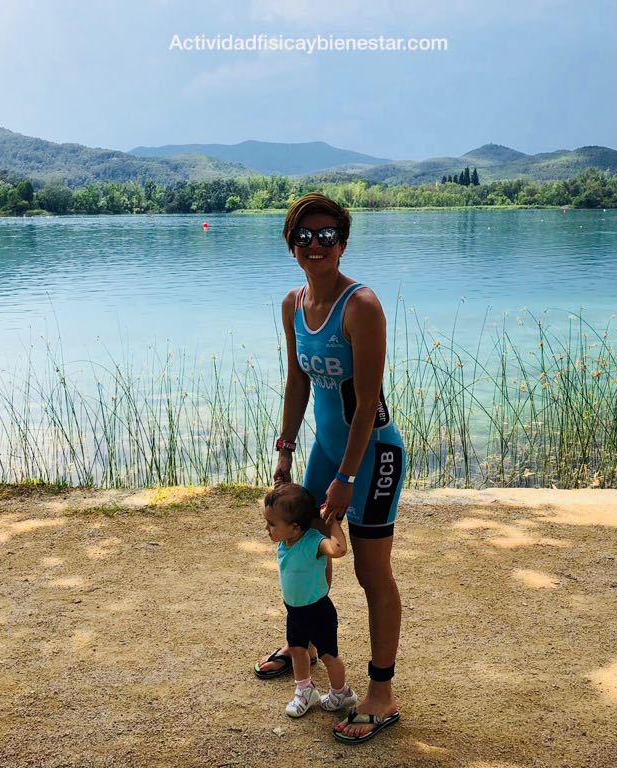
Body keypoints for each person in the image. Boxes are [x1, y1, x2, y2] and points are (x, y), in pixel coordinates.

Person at [255, 192, 406, 744]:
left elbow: (366, 404)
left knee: (370, 573)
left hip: (373, 456)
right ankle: (310, 645)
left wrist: (346, 478)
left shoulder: (360, 306)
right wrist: (286, 449)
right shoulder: (292, 304)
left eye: (326, 235)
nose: (314, 244)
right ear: (291, 245)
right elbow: (297, 379)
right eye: (304, 236)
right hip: (324, 451)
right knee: (304, 548)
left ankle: (381, 693)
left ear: (342, 244)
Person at [262, 483, 357, 718]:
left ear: (295, 527)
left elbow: (338, 550)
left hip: (318, 612)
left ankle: (341, 693)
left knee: (328, 656)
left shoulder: (313, 542)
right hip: (294, 611)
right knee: (297, 650)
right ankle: (305, 690)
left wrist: (332, 522)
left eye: (272, 524)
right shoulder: (285, 541)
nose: (267, 528)